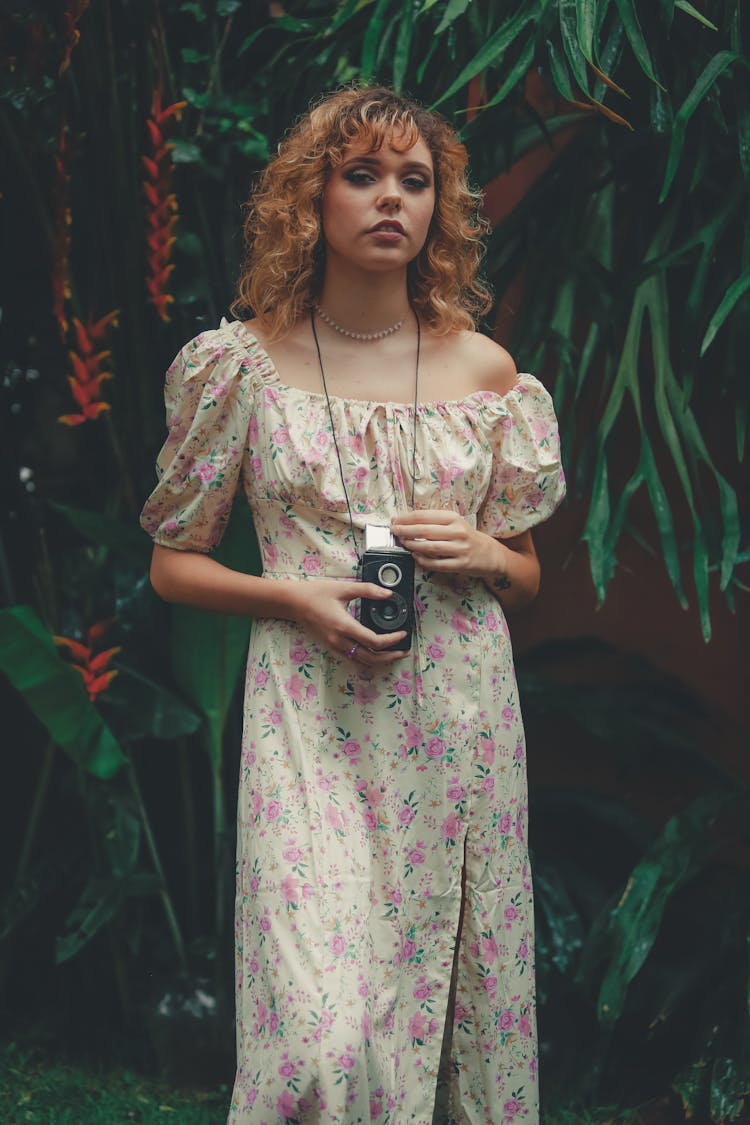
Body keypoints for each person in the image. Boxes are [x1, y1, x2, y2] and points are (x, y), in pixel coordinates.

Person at [140, 85, 565, 1125]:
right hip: (310, 722)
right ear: (310, 198)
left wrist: (481, 552)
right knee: (318, 1037)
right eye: (362, 174)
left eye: (414, 181)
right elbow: (171, 566)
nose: (390, 200)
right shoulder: (240, 365)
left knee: (449, 1012)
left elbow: (527, 570)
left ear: (438, 209)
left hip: (455, 725)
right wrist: (290, 596)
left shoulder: (488, 372)